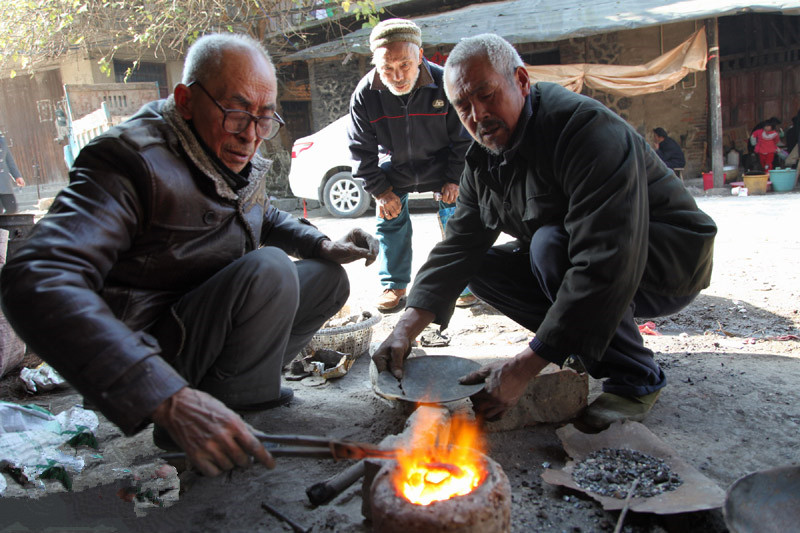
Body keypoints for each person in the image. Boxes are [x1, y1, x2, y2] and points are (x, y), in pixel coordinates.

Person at [0, 34, 378, 477]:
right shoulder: (129, 161)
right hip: (155, 346)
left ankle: (239, 393)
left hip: (211, 316)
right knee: (270, 268)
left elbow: (262, 213)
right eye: (237, 114)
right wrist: (162, 394)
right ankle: (199, 415)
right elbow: (36, 275)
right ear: (184, 100)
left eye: (264, 118)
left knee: (326, 277)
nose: (252, 136)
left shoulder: (233, 148)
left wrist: (321, 245)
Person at [372, 34, 717, 431]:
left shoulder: (585, 131)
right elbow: (458, 249)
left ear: (521, 81)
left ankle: (636, 378)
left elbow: (606, 259)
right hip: (590, 255)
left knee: (549, 245)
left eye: (486, 94)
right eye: (463, 106)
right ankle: (579, 342)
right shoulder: (484, 157)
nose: (477, 114)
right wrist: (404, 329)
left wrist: (525, 366)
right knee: (480, 267)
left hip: (667, 261)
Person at [347, 18, 472, 312]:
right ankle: (395, 285)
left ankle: (461, 282)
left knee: (457, 214)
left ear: (419, 55)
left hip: (442, 166)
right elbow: (359, 149)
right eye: (387, 68)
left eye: (404, 64)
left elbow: (465, 140)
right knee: (389, 216)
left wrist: (455, 179)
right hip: (396, 167)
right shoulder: (365, 93)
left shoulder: (445, 83)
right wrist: (380, 191)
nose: (397, 75)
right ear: (376, 63)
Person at [0, 132, 25, 214]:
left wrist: (17, 176)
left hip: (3, 181)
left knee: (12, 208)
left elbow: (9, 160)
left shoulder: (2, 140)